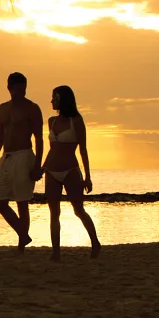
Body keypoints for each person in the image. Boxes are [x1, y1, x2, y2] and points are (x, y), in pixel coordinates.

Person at [41, 85, 102, 262]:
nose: (52, 101)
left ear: (63, 99)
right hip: (51, 170)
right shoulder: (51, 121)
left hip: (70, 170)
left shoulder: (76, 121)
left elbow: (83, 149)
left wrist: (88, 177)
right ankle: (56, 252)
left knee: (78, 210)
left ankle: (95, 243)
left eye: (55, 97)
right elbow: (52, 149)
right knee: (54, 213)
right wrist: (42, 167)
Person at [0, 72, 42, 248]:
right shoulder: (3, 108)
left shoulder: (32, 108)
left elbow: (39, 138)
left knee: (22, 202)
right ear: (10, 88)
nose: (21, 91)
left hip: (24, 155)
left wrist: (37, 166)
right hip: (7, 156)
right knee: (0, 202)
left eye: (24, 87)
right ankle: (23, 235)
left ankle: (21, 245)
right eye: (18, 87)